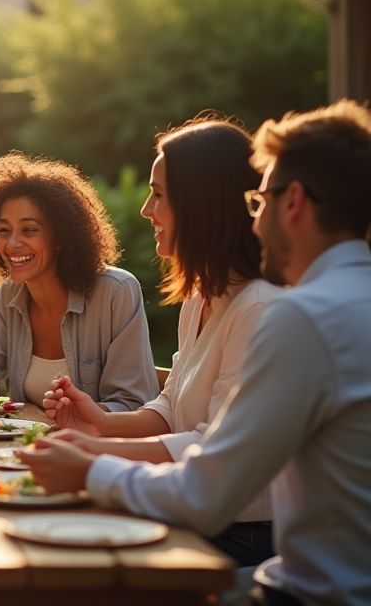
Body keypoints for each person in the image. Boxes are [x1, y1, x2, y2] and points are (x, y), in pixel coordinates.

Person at [19, 100, 371, 606]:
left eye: (260, 200)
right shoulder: (325, 303)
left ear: (293, 202)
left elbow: (207, 495)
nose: (254, 217)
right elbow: (181, 414)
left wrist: (91, 465)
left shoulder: (299, 317)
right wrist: (100, 426)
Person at [36, 117, 279, 566]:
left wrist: (93, 453)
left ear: (201, 205)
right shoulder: (202, 295)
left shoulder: (259, 309)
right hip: (194, 510)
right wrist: (100, 423)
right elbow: (172, 407)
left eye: (159, 195)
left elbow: (212, 446)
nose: (147, 209)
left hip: (239, 536)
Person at [0, 153, 158, 411]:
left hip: (98, 449)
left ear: (61, 236)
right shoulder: (9, 293)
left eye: (29, 230)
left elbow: (133, 402)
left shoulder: (117, 292)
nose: (11, 244)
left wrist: (80, 416)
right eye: (4, 230)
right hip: (26, 446)